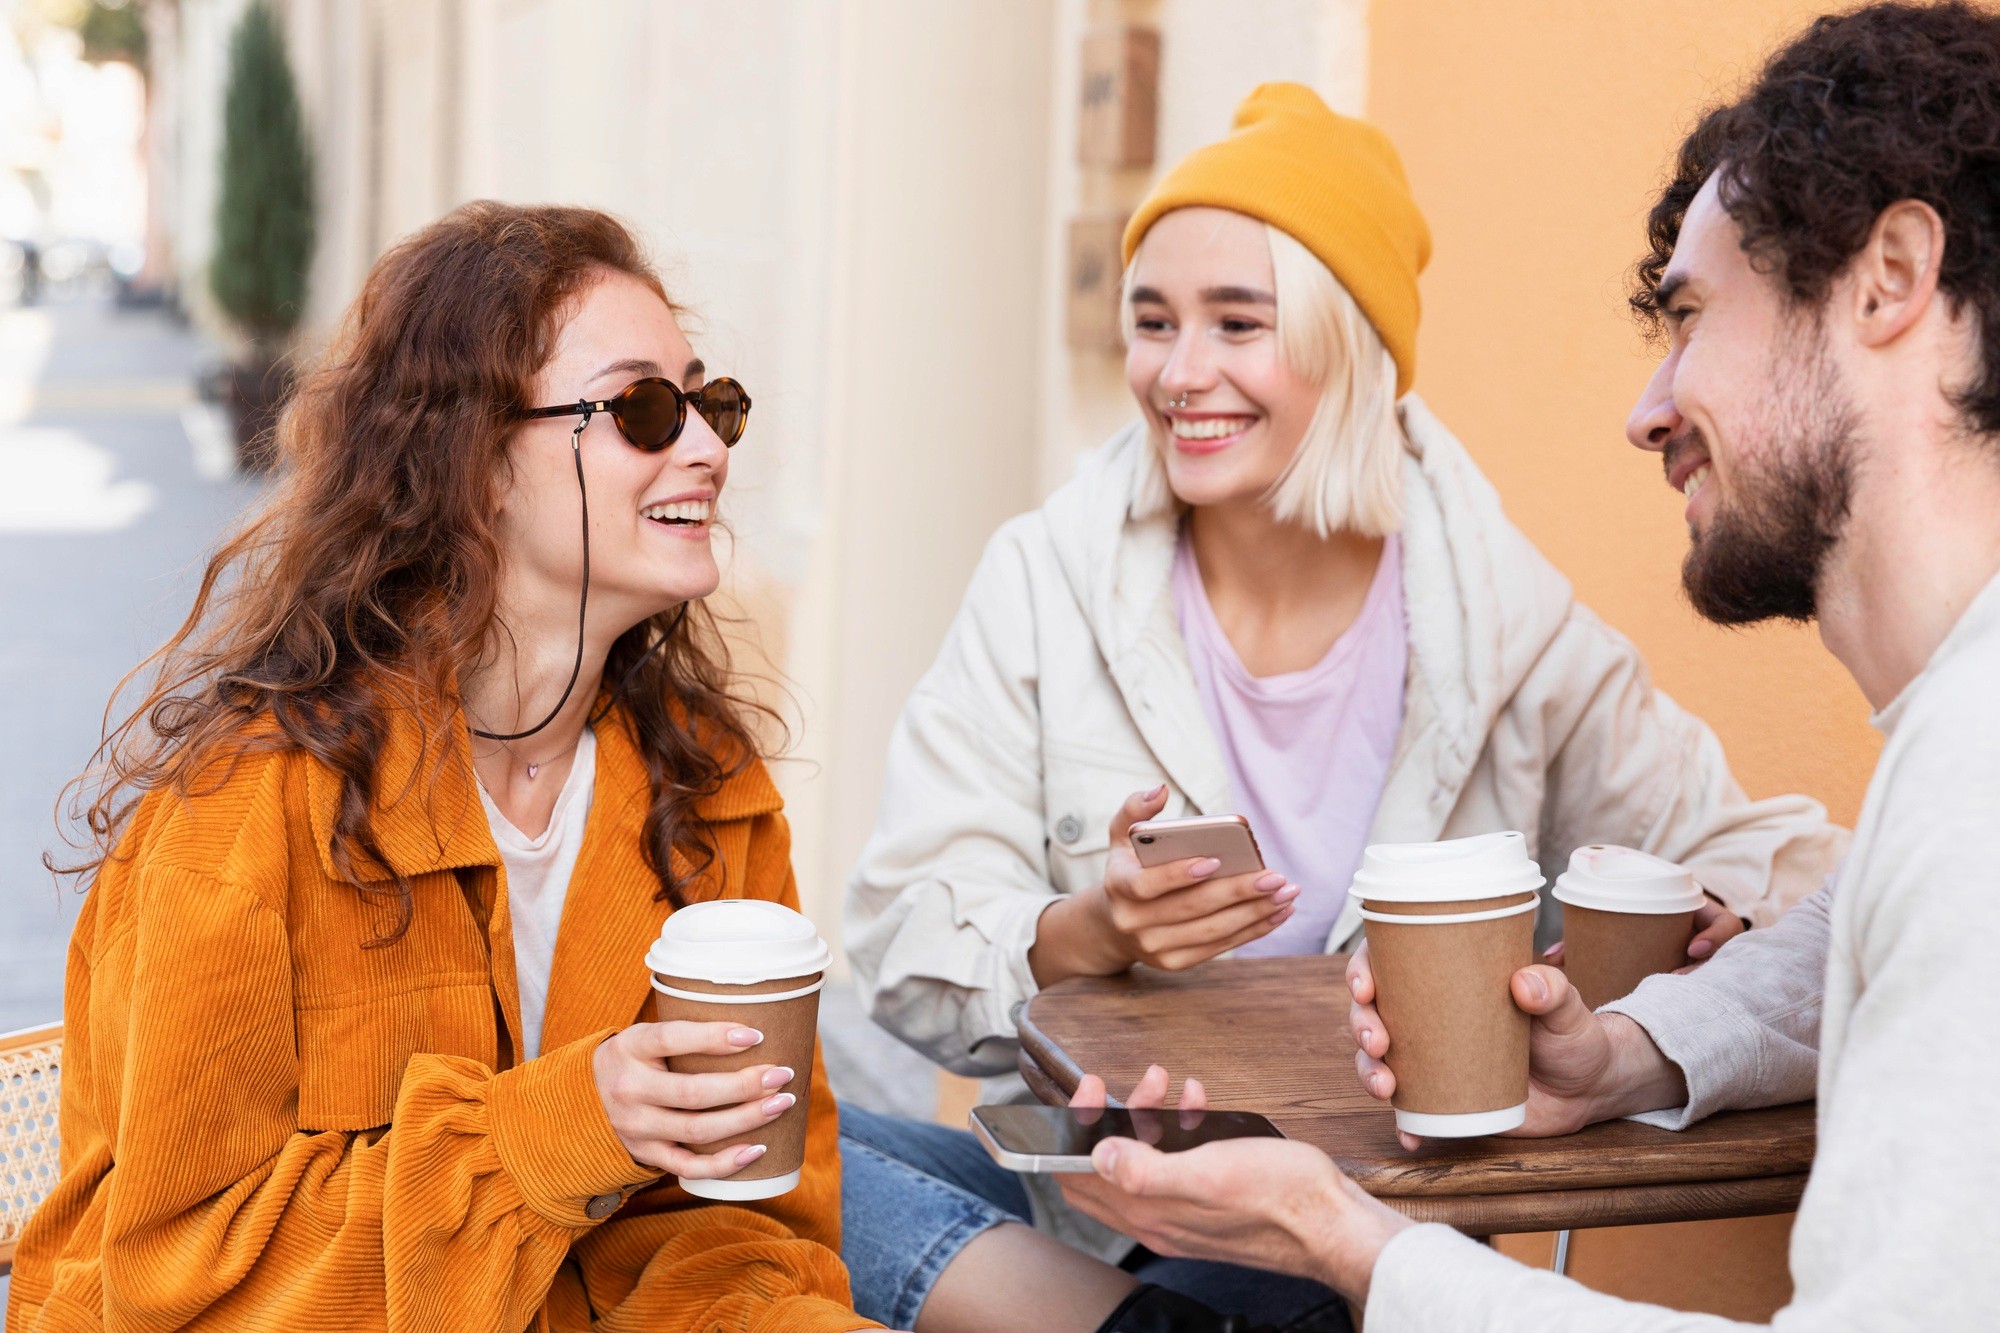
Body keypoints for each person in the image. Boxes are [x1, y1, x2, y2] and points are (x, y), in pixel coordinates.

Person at [838, 84, 1846, 1333]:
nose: (1178, 372)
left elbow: (1784, 866)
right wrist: (1086, 928)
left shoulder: (1502, 624)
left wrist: (1707, 918)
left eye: (1236, 322)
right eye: (1151, 322)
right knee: (763, 1168)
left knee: (1283, 1273)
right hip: (1090, 1203)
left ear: (1346, 340)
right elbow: (895, 940)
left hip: (1338, 1226)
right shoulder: (1045, 578)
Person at [1056, 4, 2000, 1328]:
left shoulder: (1974, 777)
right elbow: (1863, 921)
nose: (1648, 408)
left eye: (1693, 318)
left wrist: (1346, 1238)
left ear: (1892, 276)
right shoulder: (1952, 745)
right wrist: (1623, 1055)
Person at [7, 204, 884, 1332]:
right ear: (472, 463)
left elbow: (738, 1237)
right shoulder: (242, 818)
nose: (708, 449)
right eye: (645, 410)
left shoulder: (708, 794)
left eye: (709, 404)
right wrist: (559, 1128)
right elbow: (176, 1282)